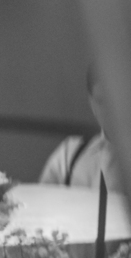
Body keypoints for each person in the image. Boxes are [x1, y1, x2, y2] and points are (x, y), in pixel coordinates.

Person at [40, 65, 122, 193]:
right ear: (92, 103)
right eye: (101, 101)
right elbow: (42, 201)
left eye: (120, 100)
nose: (112, 111)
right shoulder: (69, 156)